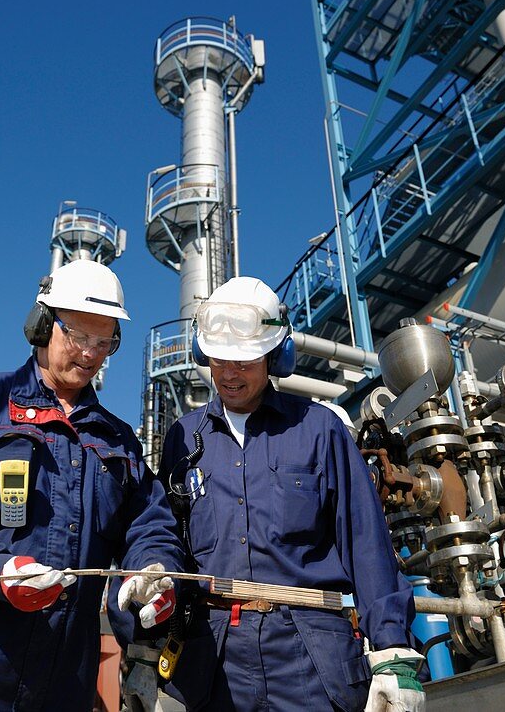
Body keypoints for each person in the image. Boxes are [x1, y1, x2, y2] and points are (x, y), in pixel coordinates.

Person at [0, 260, 185, 712]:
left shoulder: (118, 441)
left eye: (105, 341)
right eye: (78, 335)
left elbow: (149, 524)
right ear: (41, 324)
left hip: (63, 681)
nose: (91, 354)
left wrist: (152, 570)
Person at [157, 276, 426, 712]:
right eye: (218, 358)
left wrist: (392, 651)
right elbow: (165, 536)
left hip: (310, 658)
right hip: (215, 658)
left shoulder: (320, 429)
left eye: (243, 361)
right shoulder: (183, 439)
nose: (228, 373)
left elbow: (366, 542)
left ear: (275, 355)